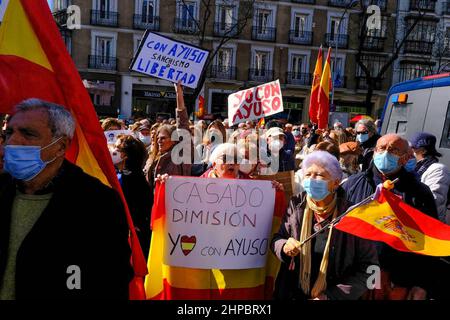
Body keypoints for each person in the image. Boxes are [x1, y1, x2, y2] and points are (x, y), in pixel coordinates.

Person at [0, 99, 132, 299]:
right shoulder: (2, 188)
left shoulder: (97, 203)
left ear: (61, 146)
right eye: (9, 133)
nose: (13, 141)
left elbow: (111, 281)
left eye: (28, 134)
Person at [342, 134, 439, 300]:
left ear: (405, 157)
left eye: (393, 150)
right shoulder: (353, 184)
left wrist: (422, 283)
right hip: (355, 275)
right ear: (374, 152)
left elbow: (431, 240)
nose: (386, 153)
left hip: (399, 278)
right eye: (382, 148)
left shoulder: (419, 192)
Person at [271, 151, 378, 300]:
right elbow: (277, 239)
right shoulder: (296, 204)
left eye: (319, 175)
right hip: (292, 293)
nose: (312, 180)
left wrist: (331, 296)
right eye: (308, 175)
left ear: (335, 182)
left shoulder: (353, 214)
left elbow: (371, 270)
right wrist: (284, 246)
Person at [112, 134, 153, 260]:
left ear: (125, 155)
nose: (112, 151)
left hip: (130, 241)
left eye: (117, 148)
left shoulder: (133, 180)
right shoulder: (123, 176)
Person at [144, 82, 192, 189]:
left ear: (174, 140)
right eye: (158, 138)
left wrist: (178, 93)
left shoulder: (181, 155)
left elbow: (183, 122)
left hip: (175, 202)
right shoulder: (151, 156)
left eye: (163, 138)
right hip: (154, 203)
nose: (159, 141)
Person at [409, 132, 450, 224]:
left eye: (412, 148)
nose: (409, 152)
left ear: (423, 151)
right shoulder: (412, 167)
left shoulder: (438, 169)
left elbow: (434, 200)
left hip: (429, 225)